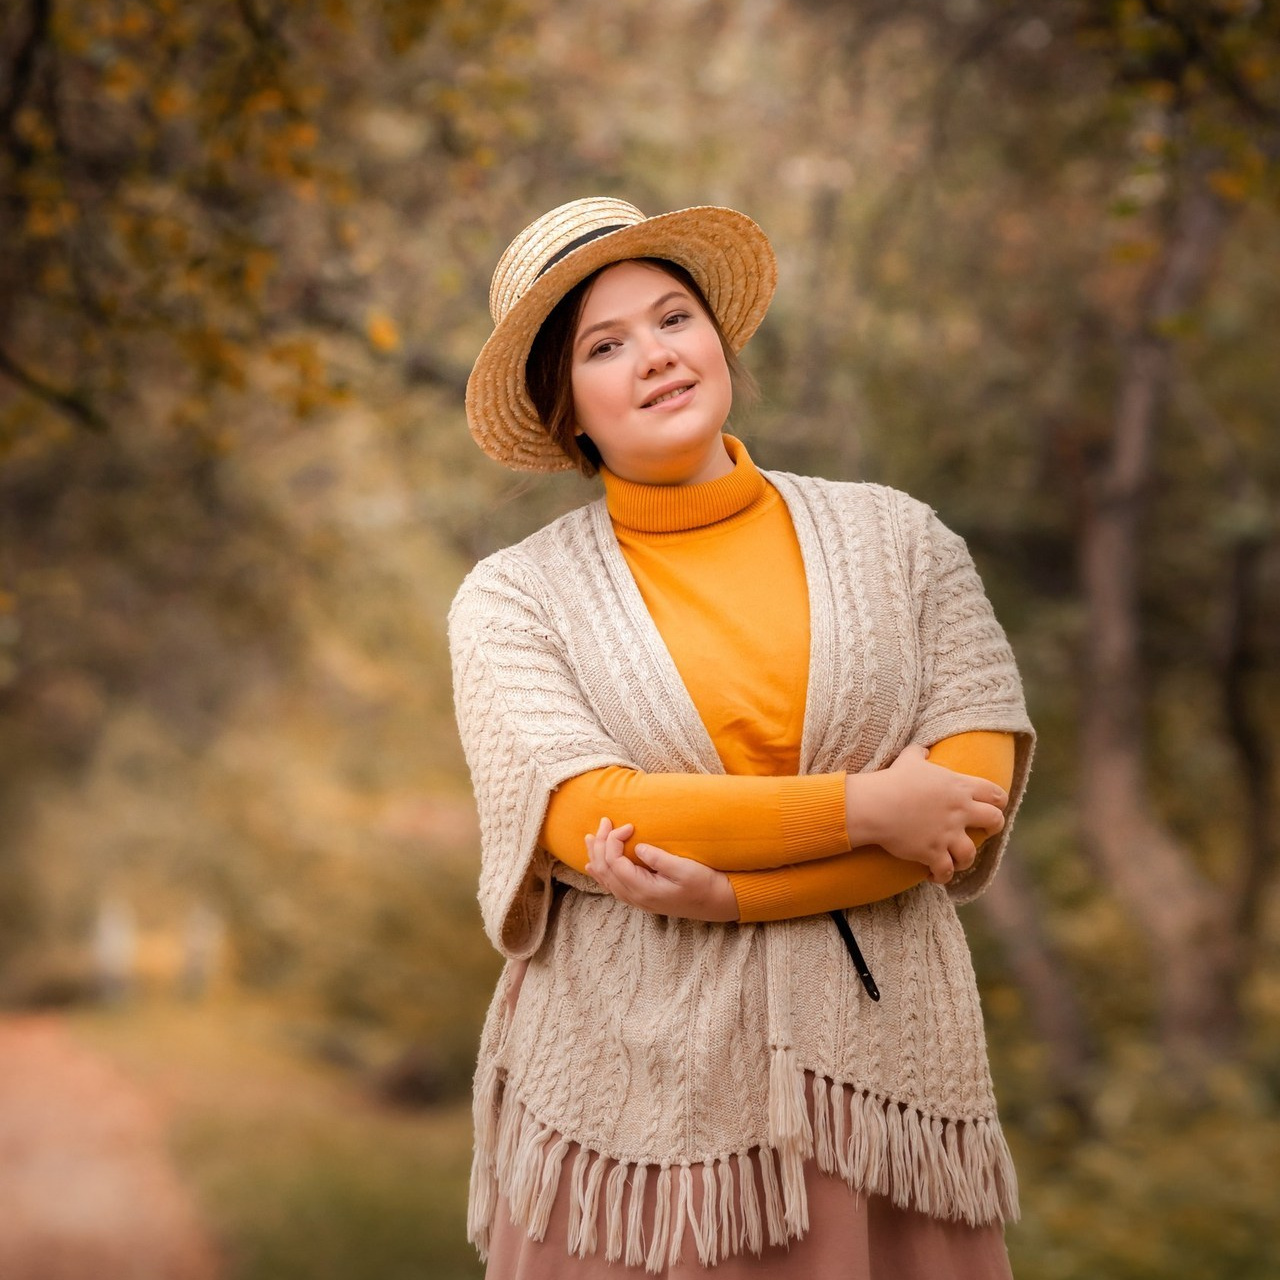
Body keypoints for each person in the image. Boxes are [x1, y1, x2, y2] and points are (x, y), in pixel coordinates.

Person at [449, 197, 1035, 1278]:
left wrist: (736, 896)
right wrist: (869, 808)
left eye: (673, 317)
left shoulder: (900, 538)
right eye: (604, 346)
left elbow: (965, 801)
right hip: (627, 1111)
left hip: (878, 1087)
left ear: (716, 337)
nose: (656, 356)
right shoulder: (513, 599)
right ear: (564, 408)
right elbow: (590, 815)